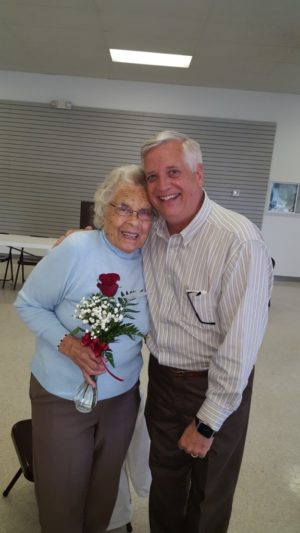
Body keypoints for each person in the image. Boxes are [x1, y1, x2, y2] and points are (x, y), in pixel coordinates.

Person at [140, 130, 273, 533]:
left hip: (215, 385)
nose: (163, 186)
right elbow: (110, 238)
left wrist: (208, 421)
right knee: (164, 483)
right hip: (163, 379)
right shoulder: (152, 235)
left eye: (174, 171)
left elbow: (241, 343)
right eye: (151, 176)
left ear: (199, 174)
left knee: (208, 494)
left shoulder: (238, 240)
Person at [14, 164, 153, 533]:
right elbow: (27, 303)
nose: (133, 222)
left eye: (144, 212)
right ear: (103, 207)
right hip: (61, 394)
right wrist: (69, 345)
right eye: (123, 207)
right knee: (61, 495)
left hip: (121, 398)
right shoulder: (75, 248)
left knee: (103, 493)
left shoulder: (155, 259)